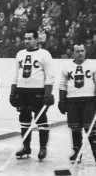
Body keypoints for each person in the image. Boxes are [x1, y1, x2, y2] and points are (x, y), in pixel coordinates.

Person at [10, 29, 55, 160]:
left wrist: (48, 93)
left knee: (41, 119)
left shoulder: (44, 54)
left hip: (38, 91)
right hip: (22, 91)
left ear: (37, 39)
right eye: (25, 38)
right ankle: (26, 146)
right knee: (24, 119)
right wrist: (13, 93)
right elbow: (16, 74)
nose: (27, 41)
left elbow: (50, 75)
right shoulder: (20, 54)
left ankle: (42, 148)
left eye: (30, 38)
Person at [59, 44, 96, 161]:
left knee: (91, 128)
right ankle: (77, 152)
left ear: (85, 51)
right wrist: (62, 101)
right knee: (75, 128)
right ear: (73, 53)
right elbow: (63, 85)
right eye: (77, 51)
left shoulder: (93, 65)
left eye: (82, 51)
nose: (80, 53)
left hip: (89, 100)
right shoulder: (67, 67)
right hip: (72, 101)